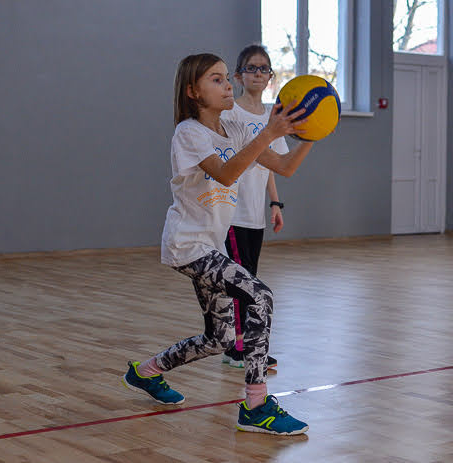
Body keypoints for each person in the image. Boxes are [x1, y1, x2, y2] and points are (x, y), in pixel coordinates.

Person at [121, 53, 313, 435]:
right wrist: (268, 134)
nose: (227, 85)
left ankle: (146, 372)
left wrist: (311, 136)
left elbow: (286, 167)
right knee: (259, 295)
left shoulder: (236, 130)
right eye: (216, 79)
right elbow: (226, 175)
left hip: (212, 247)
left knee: (219, 338)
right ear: (193, 92)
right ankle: (256, 404)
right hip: (187, 244)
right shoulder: (189, 133)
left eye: (227, 78)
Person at [220, 45, 286, 370]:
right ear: (238, 75)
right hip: (230, 213)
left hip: (255, 214)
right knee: (239, 281)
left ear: (270, 77)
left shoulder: (271, 117)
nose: (258, 74)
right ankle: (236, 348)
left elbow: (271, 164)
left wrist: (274, 202)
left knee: (252, 279)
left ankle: (249, 345)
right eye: (252, 68)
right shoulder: (230, 113)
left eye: (264, 69)